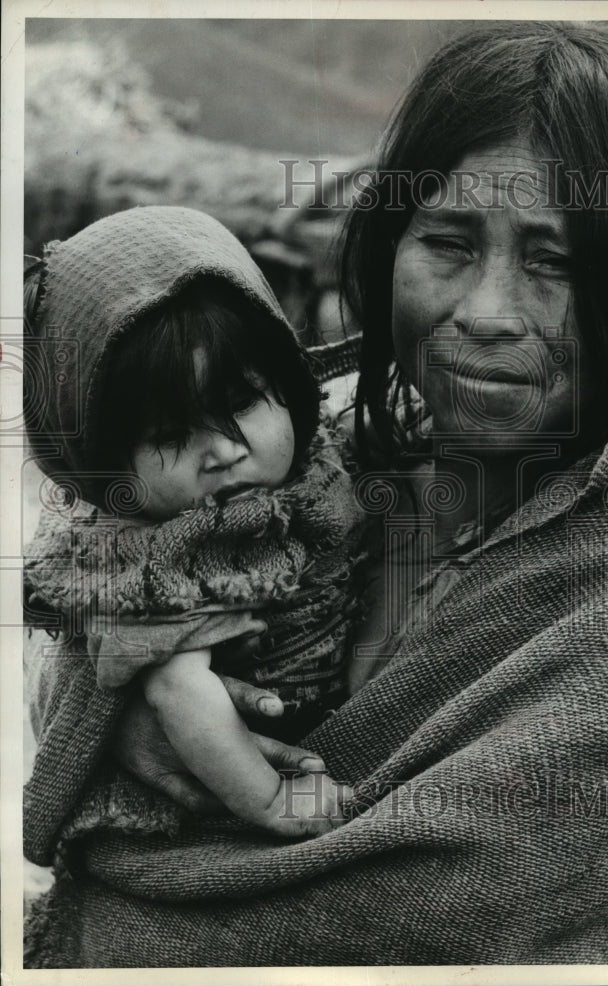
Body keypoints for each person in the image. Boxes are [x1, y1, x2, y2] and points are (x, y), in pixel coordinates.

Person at [24, 21, 608, 967]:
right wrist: (137, 696)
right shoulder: (329, 440)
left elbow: (457, 908)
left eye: (555, 261)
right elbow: (96, 608)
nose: (485, 314)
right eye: (447, 242)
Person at [23, 205, 364, 844]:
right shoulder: (162, 555)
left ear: (288, 383)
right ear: (105, 465)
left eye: (240, 404)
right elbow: (181, 692)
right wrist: (269, 801)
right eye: (174, 434)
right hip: (210, 795)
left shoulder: (321, 464)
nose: (224, 451)